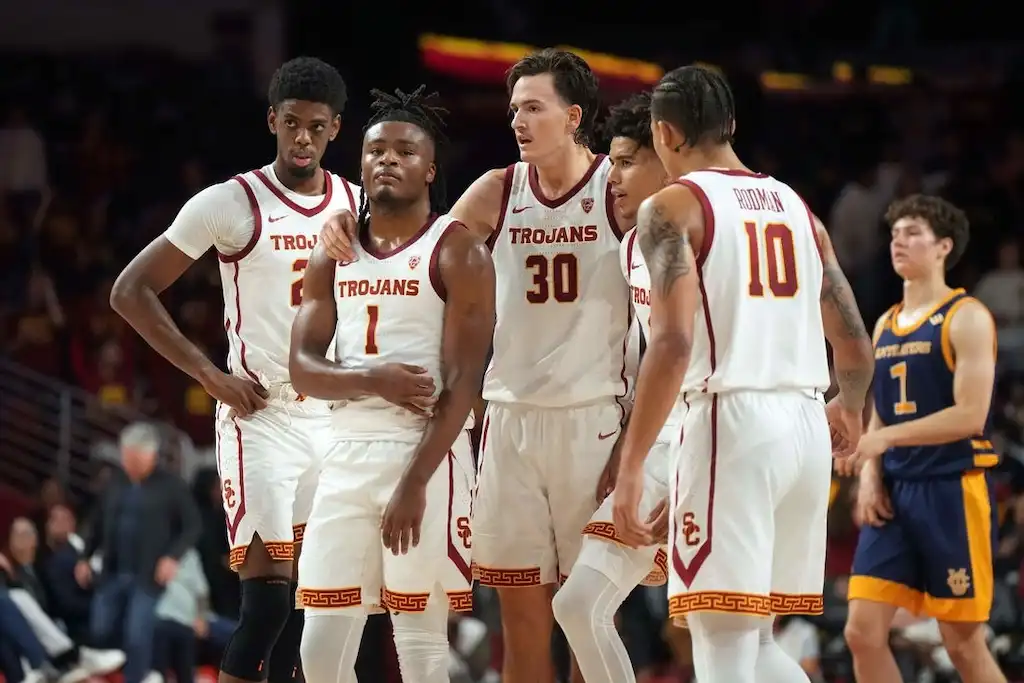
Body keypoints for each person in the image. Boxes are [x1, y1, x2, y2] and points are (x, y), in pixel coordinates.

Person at [318, 49, 628, 683]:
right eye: (514, 108)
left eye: (534, 108)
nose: (518, 120)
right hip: (510, 418)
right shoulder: (497, 188)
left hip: (593, 416)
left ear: (573, 117)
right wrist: (349, 220)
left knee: (588, 616)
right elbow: (415, 242)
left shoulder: (613, 191)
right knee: (521, 622)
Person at [610, 64, 874, 683]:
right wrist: (851, 405)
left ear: (666, 133)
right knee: (755, 641)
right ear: (729, 124)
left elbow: (671, 344)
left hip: (732, 424)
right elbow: (855, 342)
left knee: (720, 645)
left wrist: (630, 467)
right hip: (806, 424)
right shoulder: (796, 206)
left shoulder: (671, 207)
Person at [109, 57, 357, 683]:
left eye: (317, 127)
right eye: (292, 123)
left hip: (334, 418)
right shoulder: (230, 202)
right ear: (273, 120)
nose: (303, 138)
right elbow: (130, 290)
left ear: (335, 130)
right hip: (262, 415)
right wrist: (207, 375)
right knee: (268, 603)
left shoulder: (358, 204)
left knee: (317, 608)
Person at [289, 86, 495, 683]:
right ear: (358, 164)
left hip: (426, 455)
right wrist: (373, 380)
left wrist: (414, 482)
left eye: (406, 152)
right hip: (347, 453)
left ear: (430, 169)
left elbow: (462, 385)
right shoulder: (334, 252)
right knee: (321, 652)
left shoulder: (457, 251)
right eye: (377, 150)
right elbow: (302, 367)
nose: (388, 160)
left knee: (421, 646)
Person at [840, 195, 1006, 683]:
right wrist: (871, 474)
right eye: (894, 234)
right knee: (861, 633)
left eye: (913, 232)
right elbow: (880, 414)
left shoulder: (967, 315)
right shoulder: (885, 324)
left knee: (963, 644)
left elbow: (970, 415)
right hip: (894, 492)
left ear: (943, 247)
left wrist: (883, 441)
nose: (899, 241)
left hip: (951, 489)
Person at [551, 92, 675, 683]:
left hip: (716, 442)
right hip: (661, 445)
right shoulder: (631, 247)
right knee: (577, 604)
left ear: (666, 157)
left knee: (735, 636)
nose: (613, 177)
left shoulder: (699, 235)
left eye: (626, 162)